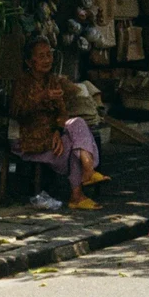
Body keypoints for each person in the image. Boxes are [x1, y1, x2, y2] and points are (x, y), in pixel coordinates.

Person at [11, 37, 106, 210]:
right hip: (29, 137)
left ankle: (86, 171)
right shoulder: (21, 83)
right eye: (41, 56)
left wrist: (57, 131)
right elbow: (17, 112)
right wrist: (42, 97)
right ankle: (81, 185)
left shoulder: (52, 80)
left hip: (51, 134)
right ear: (29, 61)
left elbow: (62, 112)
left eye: (49, 55)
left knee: (77, 125)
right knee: (74, 145)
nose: (47, 60)